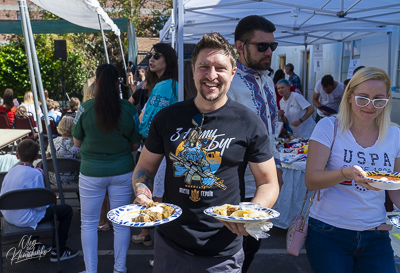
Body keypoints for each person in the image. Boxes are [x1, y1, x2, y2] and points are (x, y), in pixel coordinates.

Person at [132, 32, 279, 273]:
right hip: (171, 244)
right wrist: (143, 193)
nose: (211, 76)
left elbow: (268, 182)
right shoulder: (167, 118)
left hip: (223, 250)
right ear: (193, 71)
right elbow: (145, 168)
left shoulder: (249, 122)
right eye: (204, 67)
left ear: (232, 73)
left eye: (220, 68)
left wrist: (249, 214)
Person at [305, 67, 400, 273]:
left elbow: (395, 187)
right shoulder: (328, 127)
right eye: (363, 98)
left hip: (376, 233)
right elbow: (311, 180)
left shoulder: (395, 135)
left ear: (387, 99)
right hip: (329, 232)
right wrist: (346, 173)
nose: (370, 106)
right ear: (349, 97)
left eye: (378, 99)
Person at [226, 15, 283, 272]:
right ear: (240, 46)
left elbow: (270, 132)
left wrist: (277, 167)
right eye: (262, 46)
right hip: (237, 186)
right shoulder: (227, 83)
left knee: (250, 250)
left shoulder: (268, 80)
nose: (269, 52)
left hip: (264, 184)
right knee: (232, 253)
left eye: (272, 46)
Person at [73, 63, 141, 273]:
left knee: (89, 223)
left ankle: (90, 270)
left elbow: (76, 143)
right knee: (121, 223)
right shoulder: (129, 109)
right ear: (118, 82)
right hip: (122, 171)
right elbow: (135, 144)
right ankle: (119, 269)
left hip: (91, 173)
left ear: (97, 82)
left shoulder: (85, 108)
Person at [131, 43, 179, 246]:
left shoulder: (163, 86)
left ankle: (156, 240)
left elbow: (148, 120)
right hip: (170, 146)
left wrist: (140, 124)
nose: (151, 59)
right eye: (150, 55)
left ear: (167, 60)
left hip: (157, 147)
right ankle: (151, 235)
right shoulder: (171, 83)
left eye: (157, 56)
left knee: (152, 193)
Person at [0, 139, 79, 262]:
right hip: (25, 218)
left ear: (17, 155)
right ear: (37, 156)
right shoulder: (36, 174)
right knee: (66, 210)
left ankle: (33, 246)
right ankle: (59, 251)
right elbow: (40, 206)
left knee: (31, 208)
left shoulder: (11, 171)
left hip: (8, 216)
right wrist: (50, 199)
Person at [46, 116, 80, 186]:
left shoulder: (53, 142)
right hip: (75, 179)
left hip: (55, 179)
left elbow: (47, 158)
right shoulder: (78, 144)